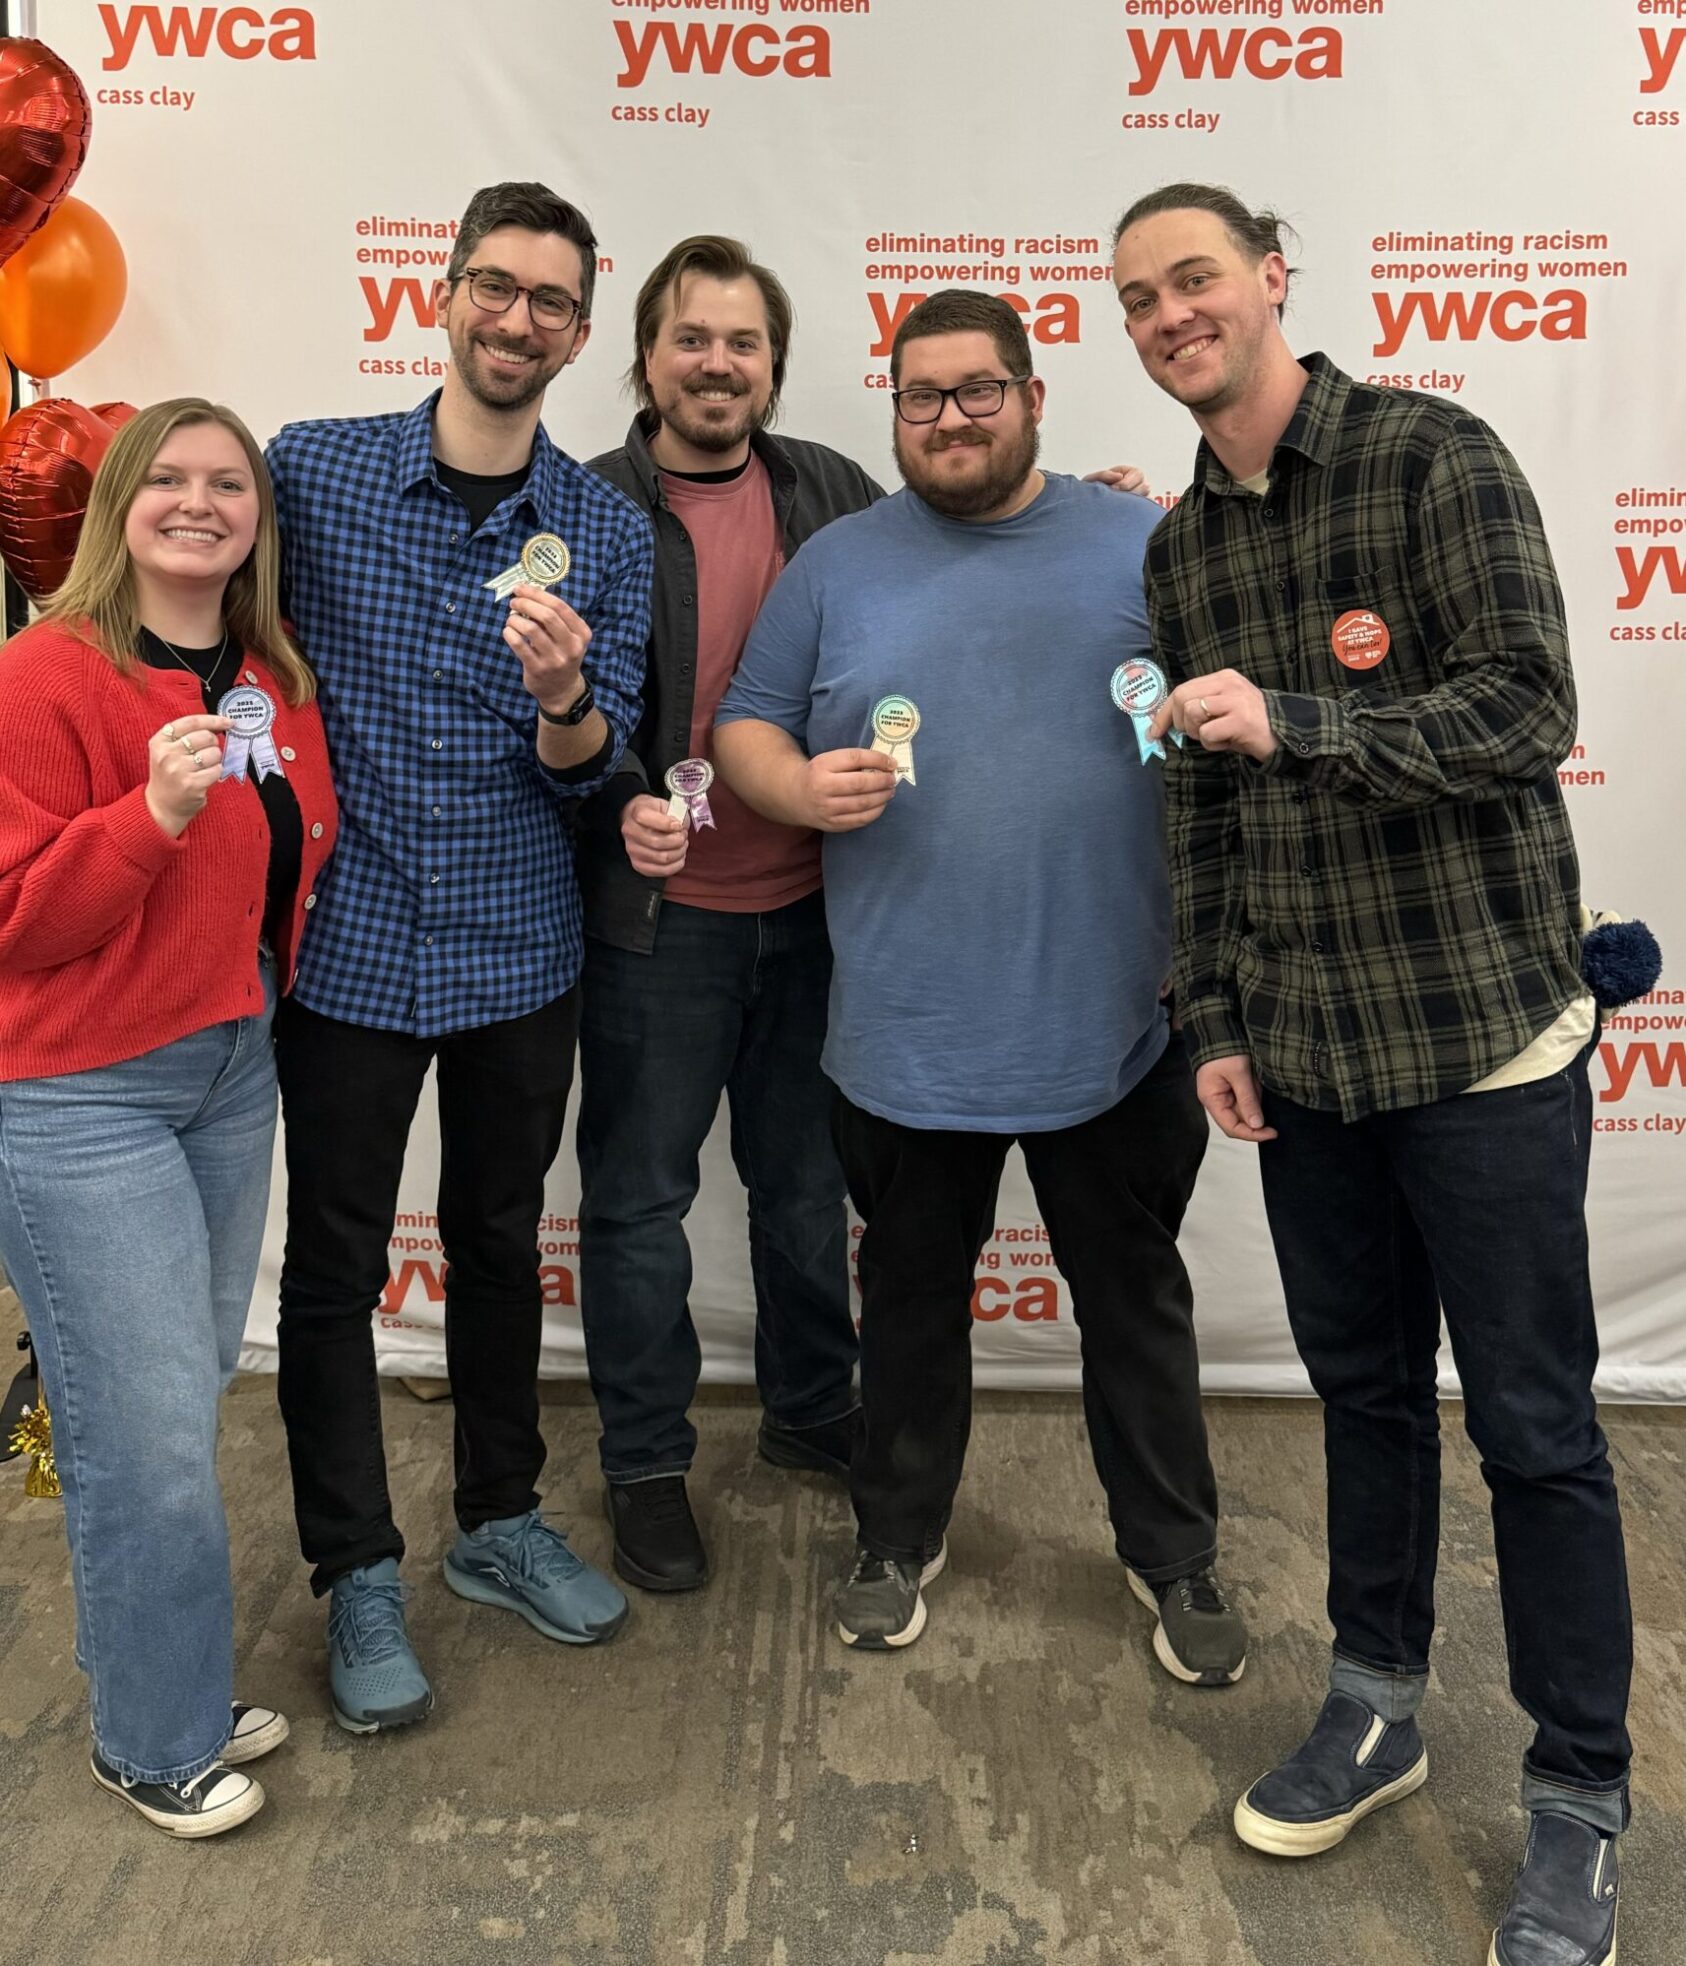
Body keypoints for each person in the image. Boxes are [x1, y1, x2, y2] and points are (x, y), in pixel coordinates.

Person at [1113, 182, 1630, 1966]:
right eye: (1138, 298)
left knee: (1542, 1433)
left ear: (1269, 280)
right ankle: (1377, 1703)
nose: (1170, 314)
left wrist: (1304, 717)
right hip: (1310, 1056)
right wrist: (1217, 1020)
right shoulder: (1180, 551)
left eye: (1195, 279)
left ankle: (1575, 1798)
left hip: (1480, 1036)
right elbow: (1196, 809)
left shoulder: (1432, 457)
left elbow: (1528, 707)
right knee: (1366, 1403)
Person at [713, 290, 1246, 1682]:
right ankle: (896, 1534)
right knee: (905, 1302)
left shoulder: (1147, 539)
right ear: (891, 411)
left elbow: (1232, 707)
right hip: (904, 1031)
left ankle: (1173, 1553)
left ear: (1032, 395)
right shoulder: (835, 564)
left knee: (1133, 1303)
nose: (946, 418)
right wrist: (791, 786)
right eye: (917, 397)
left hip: (1122, 1024)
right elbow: (745, 725)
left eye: (974, 391)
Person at [266, 181, 651, 1732]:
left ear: (578, 327)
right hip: (343, 949)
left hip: (515, 950)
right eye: (494, 287)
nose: (516, 320)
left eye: (550, 302)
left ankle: (496, 1518)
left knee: (499, 1239)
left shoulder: (604, 529)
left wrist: (567, 701)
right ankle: (355, 1568)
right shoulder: (315, 470)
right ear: (444, 292)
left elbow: (597, 767)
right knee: (332, 1272)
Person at [0, 399, 337, 1837]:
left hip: (226, 1072)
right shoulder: (42, 680)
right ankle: (151, 1735)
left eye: (225, 480)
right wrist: (146, 821)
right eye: (164, 477)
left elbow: (290, 862)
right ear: (118, 505)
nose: (196, 500)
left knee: (173, 1397)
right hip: (72, 1093)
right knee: (146, 1435)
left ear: (255, 517)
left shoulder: (269, 677)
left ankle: (156, 1664)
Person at [575, 236, 882, 1592]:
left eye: (742, 342)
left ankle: (813, 1412)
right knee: (639, 1202)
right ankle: (645, 1463)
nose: (716, 363)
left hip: (818, 912)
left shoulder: (832, 489)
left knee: (806, 1186)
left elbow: (951, 578)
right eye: (691, 337)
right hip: (658, 926)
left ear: (773, 362)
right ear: (644, 356)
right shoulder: (581, 505)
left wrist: (1093, 509)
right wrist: (615, 804)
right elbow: (540, 712)